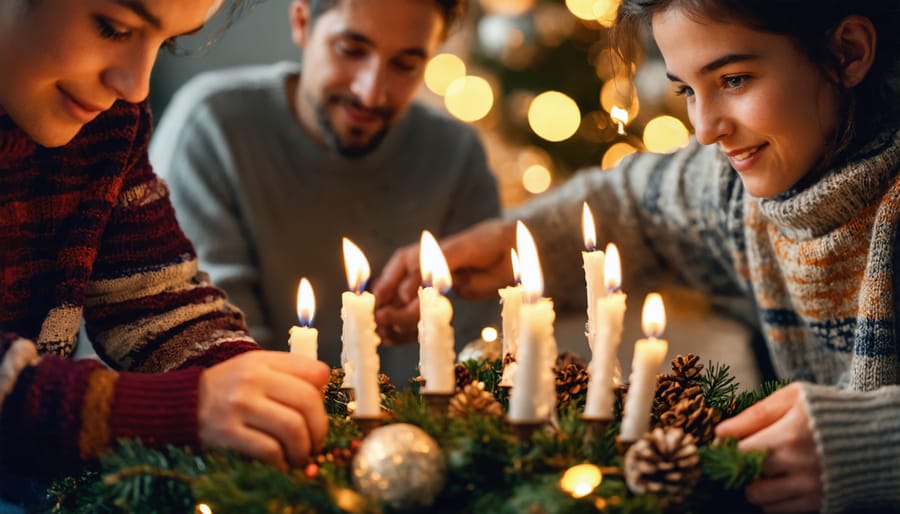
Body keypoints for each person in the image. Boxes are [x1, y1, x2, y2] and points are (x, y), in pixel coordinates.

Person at [373, 1, 900, 512]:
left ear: (848, 53)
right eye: (687, 90)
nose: (705, 129)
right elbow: (631, 205)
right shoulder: (733, 187)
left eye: (734, 79)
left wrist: (874, 447)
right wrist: (510, 241)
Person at [0, 0, 331, 509]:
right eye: (113, 27)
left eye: (169, 42)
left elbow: (153, 296)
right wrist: (176, 411)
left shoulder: (107, 127)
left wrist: (245, 390)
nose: (135, 87)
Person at [149, 0, 501, 383]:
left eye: (405, 64)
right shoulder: (213, 128)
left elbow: (476, 356)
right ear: (302, 22)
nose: (371, 93)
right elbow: (215, 349)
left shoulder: (456, 154)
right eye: (351, 50)